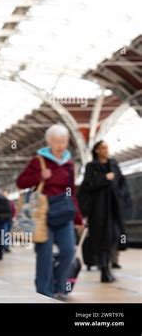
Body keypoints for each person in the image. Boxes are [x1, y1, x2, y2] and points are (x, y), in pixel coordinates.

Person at [17, 124, 83, 300]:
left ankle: (58, 284)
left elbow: (72, 192)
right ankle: (44, 291)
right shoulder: (39, 160)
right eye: (57, 142)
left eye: (64, 141)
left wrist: (78, 218)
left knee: (69, 250)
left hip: (64, 212)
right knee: (44, 254)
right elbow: (21, 182)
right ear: (49, 142)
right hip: (42, 213)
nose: (62, 145)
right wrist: (39, 176)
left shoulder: (69, 163)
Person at [79, 140, 131, 283]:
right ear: (97, 150)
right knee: (102, 239)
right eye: (103, 148)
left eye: (107, 147)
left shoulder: (114, 164)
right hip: (98, 210)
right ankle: (104, 269)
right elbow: (86, 186)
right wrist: (104, 179)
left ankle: (107, 267)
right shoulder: (91, 166)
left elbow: (122, 183)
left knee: (113, 237)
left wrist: (122, 199)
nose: (106, 150)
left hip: (114, 210)